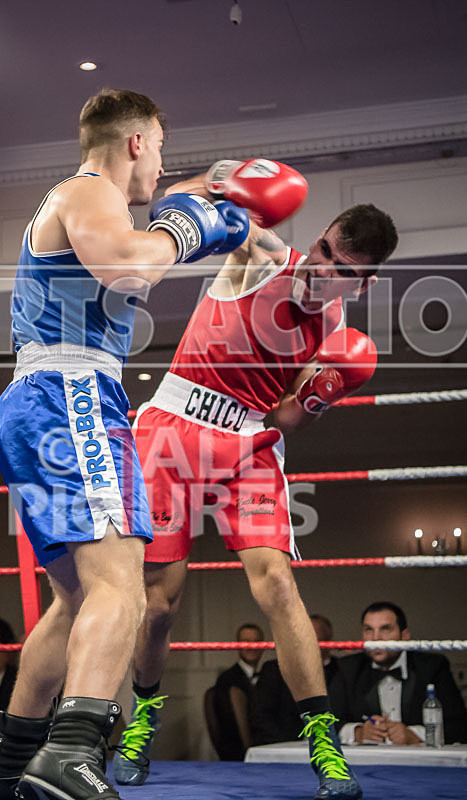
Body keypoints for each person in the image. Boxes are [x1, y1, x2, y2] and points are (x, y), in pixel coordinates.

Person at [0, 88, 237, 800]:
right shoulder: (88, 191)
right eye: (160, 149)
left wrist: (210, 194)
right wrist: (187, 228)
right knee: (123, 583)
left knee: (73, 601)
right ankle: (71, 751)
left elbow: (164, 209)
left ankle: (8, 768)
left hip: (42, 401)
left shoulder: (90, 199)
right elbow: (128, 265)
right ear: (136, 142)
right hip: (73, 396)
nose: (162, 166)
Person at [113, 157, 399, 800]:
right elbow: (170, 202)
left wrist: (321, 395)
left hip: (246, 441)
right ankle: (143, 719)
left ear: (365, 284)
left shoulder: (334, 333)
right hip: (173, 427)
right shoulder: (262, 254)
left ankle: (324, 745)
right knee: (159, 602)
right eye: (325, 251)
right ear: (318, 238)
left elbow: (286, 416)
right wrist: (223, 178)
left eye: (343, 270)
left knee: (278, 583)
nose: (323, 270)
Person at [329, 601, 467, 745]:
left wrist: (415, 735)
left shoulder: (432, 666)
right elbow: (325, 722)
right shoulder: (347, 668)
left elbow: (458, 725)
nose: (376, 638)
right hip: (365, 758)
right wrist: (357, 732)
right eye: (369, 630)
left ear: (404, 635)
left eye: (385, 629)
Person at [251, 614, 339, 745]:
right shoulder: (275, 669)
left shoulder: (341, 669)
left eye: (314, 638)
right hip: (284, 746)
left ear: (328, 641)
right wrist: (286, 747)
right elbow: (261, 716)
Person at [210, 622, 264, 760]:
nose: (252, 646)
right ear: (237, 645)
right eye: (246, 641)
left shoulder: (268, 676)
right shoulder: (227, 679)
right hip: (238, 758)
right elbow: (230, 729)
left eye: (257, 641)